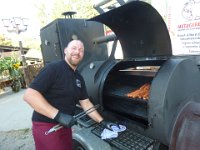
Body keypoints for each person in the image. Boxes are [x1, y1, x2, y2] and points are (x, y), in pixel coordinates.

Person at [23, 40, 117, 150]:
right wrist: (59, 116)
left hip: (66, 126)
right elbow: (29, 95)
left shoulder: (78, 77)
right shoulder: (53, 68)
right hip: (47, 126)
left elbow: (85, 103)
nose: (77, 52)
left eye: (81, 50)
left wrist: (102, 121)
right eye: (74, 48)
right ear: (65, 51)